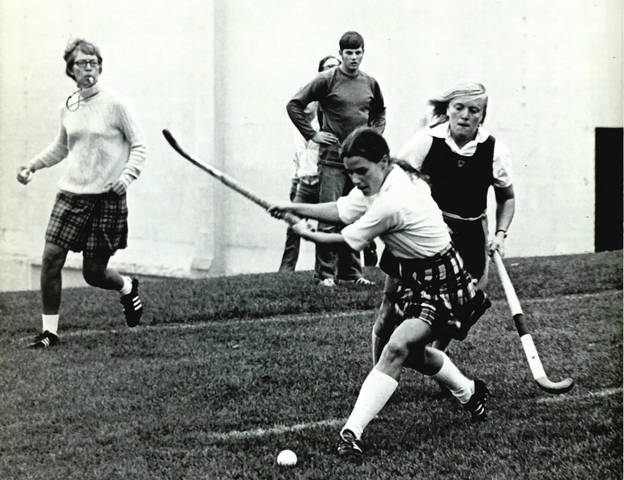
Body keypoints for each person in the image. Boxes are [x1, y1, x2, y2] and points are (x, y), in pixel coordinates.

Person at [268, 128, 490, 461]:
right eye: (350, 172)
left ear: (382, 161)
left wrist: (303, 231)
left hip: (445, 281)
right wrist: (291, 207)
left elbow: (345, 237)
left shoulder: (392, 200)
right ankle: (469, 392)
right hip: (418, 276)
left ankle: (351, 434)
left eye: (361, 170)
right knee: (411, 354)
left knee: (397, 347)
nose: (355, 178)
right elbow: (343, 210)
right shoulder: (382, 181)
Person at [16, 38, 147, 349]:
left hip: (107, 198)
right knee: (50, 259)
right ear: (70, 70)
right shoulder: (68, 105)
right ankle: (50, 332)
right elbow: (61, 147)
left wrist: (126, 177)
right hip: (72, 195)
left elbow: (140, 146)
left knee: (94, 273)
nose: (88, 68)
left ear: (100, 67)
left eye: (93, 62)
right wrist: (33, 165)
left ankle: (127, 287)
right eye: (81, 63)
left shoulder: (117, 104)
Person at [397, 81, 515, 353]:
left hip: (472, 232)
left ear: (482, 115)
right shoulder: (425, 141)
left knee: (460, 313)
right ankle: (383, 371)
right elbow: (396, 182)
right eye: (459, 108)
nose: (465, 115)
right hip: (426, 233)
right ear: (448, 110)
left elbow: (506, 197)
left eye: (474, 110)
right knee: (393, 310)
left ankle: (438, 360)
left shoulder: (495, 150)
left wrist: (500, 234)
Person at [286, 31, 386, 287]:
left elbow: (379, 114)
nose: (353, 58)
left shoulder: (370, 83)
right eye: (349, 53)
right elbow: (294, 105)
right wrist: (313, 135)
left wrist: (372, 137)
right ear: (341, 54)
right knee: (330, 218)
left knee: (356, 217)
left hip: (360, 163)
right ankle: (325, 275)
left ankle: (351, 274)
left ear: (364, 53)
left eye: (358, 52)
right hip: (332, 160)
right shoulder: (326, 79)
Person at [278, 55, 341, 272]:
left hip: (324, 181)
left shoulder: (327, 121)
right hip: (304, 183)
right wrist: (294, 183)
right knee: (293, 226)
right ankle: (286, 271)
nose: (305, 106)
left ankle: (329, 272)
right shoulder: (299, 129)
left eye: (309, 102)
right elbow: (297, 159)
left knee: (330, 226)